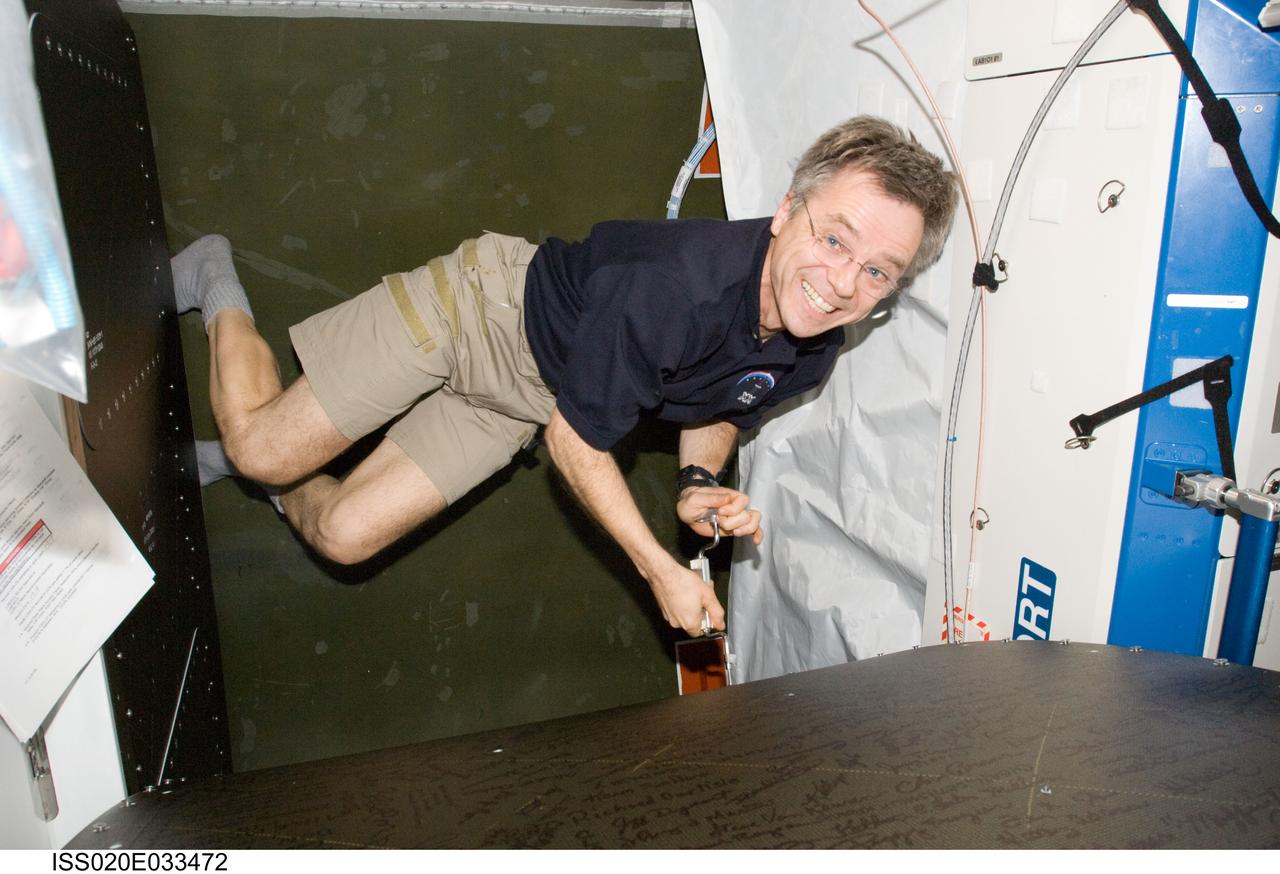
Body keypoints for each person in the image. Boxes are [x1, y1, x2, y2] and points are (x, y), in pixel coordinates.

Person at [176, 115, 958, 638]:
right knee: (259, 446)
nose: (842, 282)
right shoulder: (677, 288)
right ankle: (216, 285)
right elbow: (577, 446)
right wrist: (659, 572)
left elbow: (724, 405)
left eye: (878, 272)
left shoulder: (816, 337)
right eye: (834, 239)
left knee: (342, 536)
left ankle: (280, 486)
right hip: (481, 314)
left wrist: (694, 482)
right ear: (788, 209)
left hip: (537, 392)